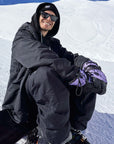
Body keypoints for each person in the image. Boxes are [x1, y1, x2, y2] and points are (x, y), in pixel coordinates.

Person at [1, 2, 107, 144]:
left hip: (48, 106)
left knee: (86, 79)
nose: (49, 19)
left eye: (53, 18)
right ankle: (54, 139)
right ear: (37, 16)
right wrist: (74, 75)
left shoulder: (52, 44)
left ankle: (72, 130)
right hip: (23, 107)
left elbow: (71, 58)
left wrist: (89, 66)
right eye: (45, 15)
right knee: (44, 74)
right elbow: (41, 55)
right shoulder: (23, 37)